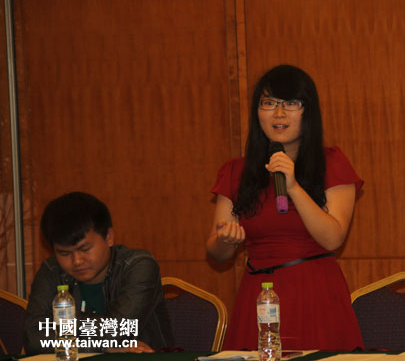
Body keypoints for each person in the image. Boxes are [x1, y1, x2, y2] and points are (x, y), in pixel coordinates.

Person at [207, 64, 364, 350]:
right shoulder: (236, 171)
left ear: (308, 111)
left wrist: (293, 187)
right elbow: (217, 253)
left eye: (291, 103)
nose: (279, 113)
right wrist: (224, 240)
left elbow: (333, 238)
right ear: (257, 112)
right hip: (258, 295)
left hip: (315, 294)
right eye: (269, 103)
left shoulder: (332, 164)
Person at [25, 191, 174, 354]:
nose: (77, 261)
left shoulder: (138, 265)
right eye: (64, 253)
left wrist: (62, 327)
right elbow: (33, 339)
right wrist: (102, 346)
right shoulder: (51, 270)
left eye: (84, 249)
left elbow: (117, 332)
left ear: (108, 237)